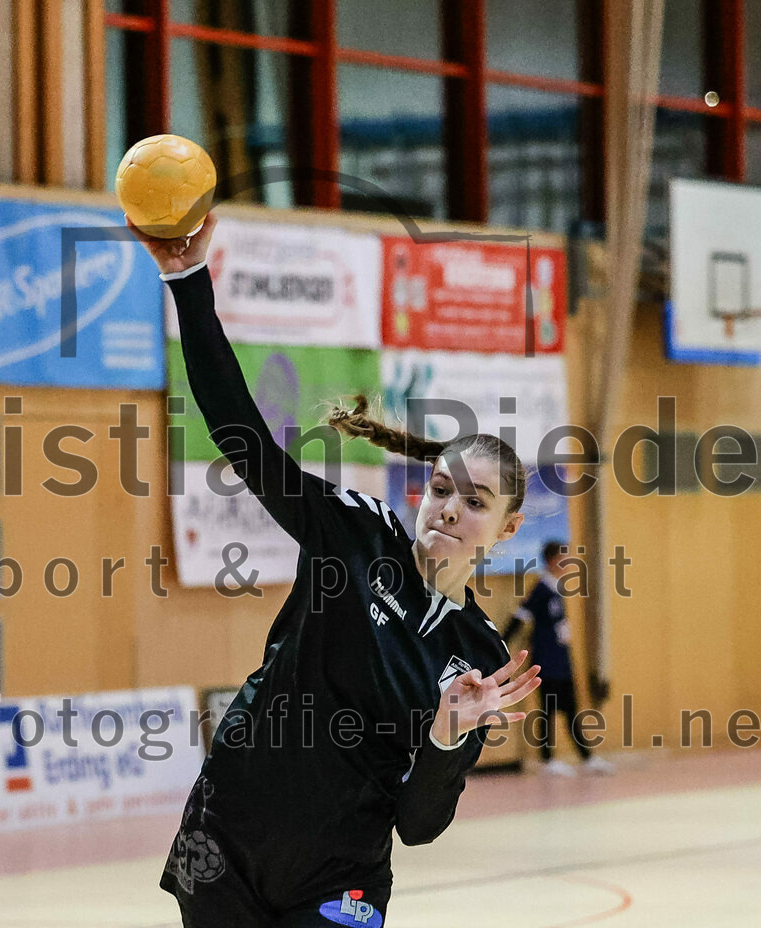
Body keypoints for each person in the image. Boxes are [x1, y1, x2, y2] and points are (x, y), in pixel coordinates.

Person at [130, 212, 543, 928]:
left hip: (339, 873)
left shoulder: (477, 659)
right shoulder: (354, 534)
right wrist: (188, 280)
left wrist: (446, 737)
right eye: (442, 490)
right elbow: (241, 435)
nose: (449, 509)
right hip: (228, 833)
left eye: (474, 502)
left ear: (506, 529)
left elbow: (418, 826)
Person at [504, 541, 614, 777]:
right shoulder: (542, 589)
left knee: (572, 709)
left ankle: (587, 757)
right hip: (546, 661)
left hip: (562, 661)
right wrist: (500, 645)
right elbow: (520, 616)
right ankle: (547, 759)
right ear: (553, 560)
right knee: (548, 710)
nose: (567, 563)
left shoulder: (557, 588)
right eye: (564, 558)